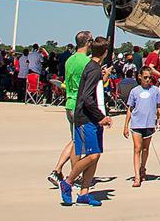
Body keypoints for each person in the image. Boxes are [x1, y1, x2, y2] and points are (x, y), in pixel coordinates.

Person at [60, 36, 112, 207]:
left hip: (89, 116)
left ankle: (84, 192)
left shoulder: (93, 68)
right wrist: (101, 117)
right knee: (93, 155)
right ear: (105, 52)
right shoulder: (93, 69)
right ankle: (67, 182)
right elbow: (87, 98)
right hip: (86, 117)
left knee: (95, 155)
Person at [50, 30, 91, 186]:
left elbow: (66, 83)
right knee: (79, 143)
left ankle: (60, 171)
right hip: (81, 106)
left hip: (69, 103)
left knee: (75, 140)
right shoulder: (86, 62)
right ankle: (68, 173)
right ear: (88, 42)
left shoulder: (69, 60)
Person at [123, 67, 160, 187]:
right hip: (136, 123)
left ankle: (143, 168)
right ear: (140, 77)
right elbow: (130, 108)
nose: (147, 80)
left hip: (149, 123)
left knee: (145, 149)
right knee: (137, 148)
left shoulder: (155, 90)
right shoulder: (134, 91)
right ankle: (137, 176)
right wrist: (126, 125)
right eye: (145, 77)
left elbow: (159, 106)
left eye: (149, 77)